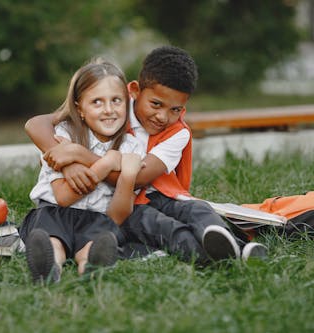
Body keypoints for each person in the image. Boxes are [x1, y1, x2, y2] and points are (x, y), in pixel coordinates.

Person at [25, 45, 267, 264]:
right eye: (156, 105)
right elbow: (37, 124)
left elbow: (139, 177)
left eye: (175, 109)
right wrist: (67, 164)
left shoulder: (177, 132)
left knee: (198, 210)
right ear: (135, 92)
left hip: (154, 192)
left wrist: (80, 155)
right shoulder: (116, 107)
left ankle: (235, 248)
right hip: (131, 202)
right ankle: (216, 257)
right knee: (166, 228)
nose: (162, 117)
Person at [19, 58, 144, 284]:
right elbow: (64, 197)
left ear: (127, 103)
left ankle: (91, 265)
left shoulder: (130, 147)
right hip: (54, 212)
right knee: (50, 237)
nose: (109, 110)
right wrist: (105, 165)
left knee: (98, 239)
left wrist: (127, 175)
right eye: (97, 102)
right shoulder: (61, 137)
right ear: (80, 109)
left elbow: (119, 215)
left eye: (116, 100)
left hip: (98, 218)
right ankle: (49, 266)